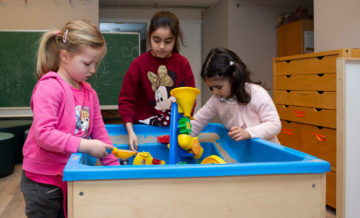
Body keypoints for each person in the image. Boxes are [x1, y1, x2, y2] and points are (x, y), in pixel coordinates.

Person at [20, 19, 120, 218]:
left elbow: (100, 133)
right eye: (87, 63)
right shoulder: (49, 87)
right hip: (43, 180)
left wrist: (115, 169)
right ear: (64, 56)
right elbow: (45, 135)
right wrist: (85, 145)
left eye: (96, 64)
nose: (93, 70)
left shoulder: (89, 93)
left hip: (70, 173)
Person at [118, 11, 195, 151]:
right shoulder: (138, 64)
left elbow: (190, 101)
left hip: (174, 130)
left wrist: (184, 129)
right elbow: (126, 100)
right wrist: (130, 131)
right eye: (156, 40)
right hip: (142, 130)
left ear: (175, 39)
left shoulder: (183, 64)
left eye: (168, 41)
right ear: (149, 37)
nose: (161, 46)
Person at [190, 48, 281, 144]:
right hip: (243, 152)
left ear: (233, 77)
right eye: (211, 88)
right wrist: (182, 137)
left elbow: (274, 124)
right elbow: (199, 120)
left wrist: (248, 133)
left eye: (218, 87)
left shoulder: (256, 93)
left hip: (268, 151)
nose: (215, 92)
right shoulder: (216, 100)